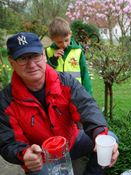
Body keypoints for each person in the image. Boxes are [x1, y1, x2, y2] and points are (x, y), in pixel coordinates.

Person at [0, 32, 119, 175]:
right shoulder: (5, 101)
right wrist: (23, 153)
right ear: (12, 62)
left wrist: (99, 134)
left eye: (35, 56)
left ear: (44, 56)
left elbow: (87, 107)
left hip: (73, 142)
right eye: (23, 58)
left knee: (109, 137)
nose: (31, 64)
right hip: (42, 157)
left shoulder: (66, 82)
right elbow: (7, 141)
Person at [46, 17, 93, 95]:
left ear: (70, 34)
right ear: (52, 39)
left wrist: (88, 95)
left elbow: (85, 74)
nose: (64, 45)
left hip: (76, 93)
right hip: (57, 94)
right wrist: (53, 59)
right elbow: (46, 74)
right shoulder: (49, 52)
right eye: (59, 42)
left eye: (66, 40)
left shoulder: (78, 51)